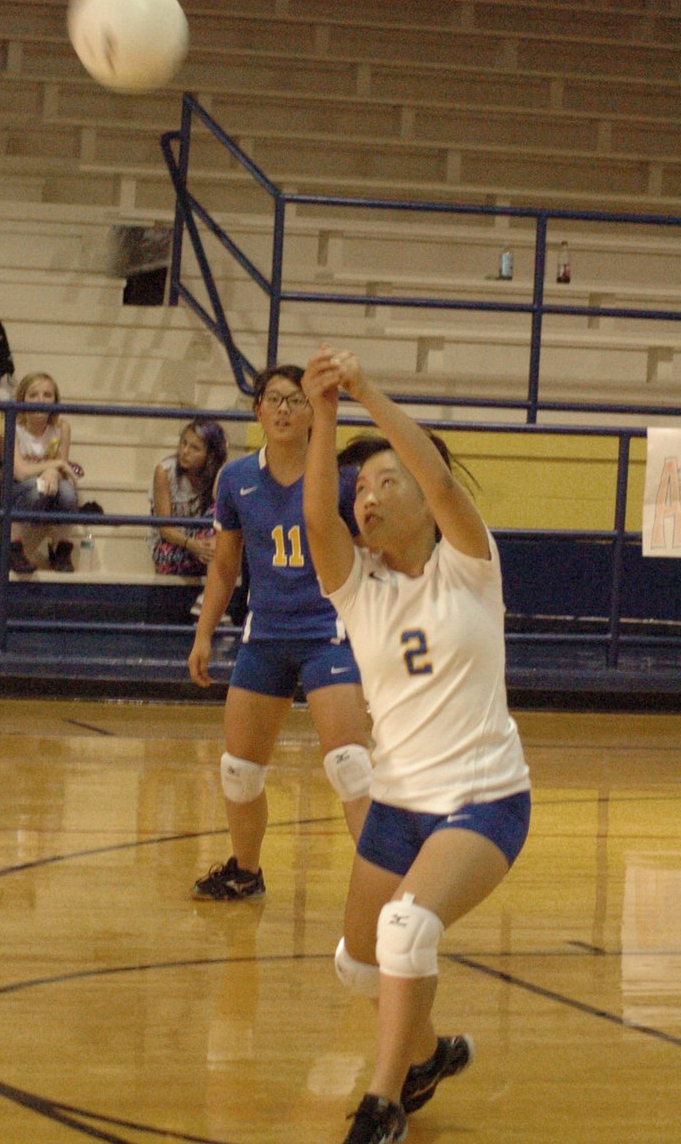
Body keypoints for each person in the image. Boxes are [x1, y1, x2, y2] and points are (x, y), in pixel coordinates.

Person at [301, 345, 531, 1144]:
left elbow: (436, 476)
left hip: (483, 801)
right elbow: (312, 518)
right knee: (357, 961)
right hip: (398, 807)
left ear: (426, 506)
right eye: (358, 487)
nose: (366, 496)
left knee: (406, 931)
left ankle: (383, 1102)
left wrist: (366, 391)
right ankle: (428, 1055)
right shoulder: (358, 590)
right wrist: (324, 412)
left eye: (383, 482)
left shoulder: (469, 566)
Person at [187, 363, 373, 900]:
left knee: (351, 767)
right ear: (258, 412)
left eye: (296, 400)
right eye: (274, 400)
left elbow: (370, 559)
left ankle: (382, 880)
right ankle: (245, 870)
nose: (285, 409)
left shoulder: (340, 483)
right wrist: (204, 636)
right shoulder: (237, 479)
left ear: (314, 412)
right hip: (264, 637)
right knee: (239, 771)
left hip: (327, 634)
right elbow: (224, 567)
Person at [9, 371, 79, 575]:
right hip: (18, 491)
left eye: (47, 395)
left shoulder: (62, 427)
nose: (41, 400)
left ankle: (61, 548)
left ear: (55, 400)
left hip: (49, 489)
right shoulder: (12, 426)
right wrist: (52, 466)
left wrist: (53, 470)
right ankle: (14, 547)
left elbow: (61, 469)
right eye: (33, 395)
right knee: (35, 486)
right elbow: (20, 472)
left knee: (67, 490)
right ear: (22, 398)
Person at [150, 417, 228, 578]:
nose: (185, 451)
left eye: (195, 448)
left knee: (222, 513)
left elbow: (219, 509)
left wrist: (222, 464)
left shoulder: (216, 473)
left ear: (210, 455)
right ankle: (209, 599)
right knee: (214, 545)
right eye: (183, 443)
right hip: (171, 547)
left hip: (204, 547)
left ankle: (209, 596)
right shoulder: (164, 472)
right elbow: (165, 530)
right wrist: (193, 545)